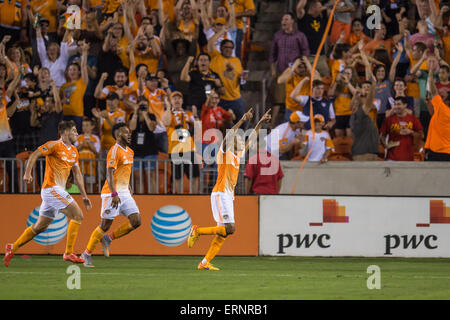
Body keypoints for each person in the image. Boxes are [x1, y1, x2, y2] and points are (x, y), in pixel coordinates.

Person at [187, 108, 271, 271]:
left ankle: (204, 263)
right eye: (238, 139)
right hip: (221, 193)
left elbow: (252, 139)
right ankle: (197, 231)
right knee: (230, 228)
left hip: (227, 195)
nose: (241, 141)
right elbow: (228, 137)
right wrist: (242, 119)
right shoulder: (223, 152)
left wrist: (260, 122)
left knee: (223, 233)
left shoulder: (237, 155)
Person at [4, 120, 92, 267]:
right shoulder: (54, 145)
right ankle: (68, 252)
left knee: (39, 227)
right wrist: (27, 173)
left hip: (57, 191)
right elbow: (34, 155)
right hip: (51, 189)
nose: (77, 133)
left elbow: (78, 175)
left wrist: (84, 196)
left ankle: (12, 247)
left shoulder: (74, 151)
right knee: (78, 215)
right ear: (65, 132)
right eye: (74, 130)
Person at [80, 123, 141, 267]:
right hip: (111, 193)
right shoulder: (114, 151)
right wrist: (114, 193)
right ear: (118, 135)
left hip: (125, 192)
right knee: (105, 225)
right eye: (126, 133)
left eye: (129, 132)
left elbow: (124, 170)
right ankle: (86, 253)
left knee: (136, 221)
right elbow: (109, 173)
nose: (129, 135)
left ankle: (108, 239)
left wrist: (129, 185)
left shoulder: (130, 151)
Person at [269, 12, 310, 129]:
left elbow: (305, 52)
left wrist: (303, 66)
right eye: (282, 19)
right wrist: (272, 69)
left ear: (292, 21)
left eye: (286, 19)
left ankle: (296, 123)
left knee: (294, 97)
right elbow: (272, 53)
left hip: (296, 73)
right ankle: (272, 125)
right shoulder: (277, 36)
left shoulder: (300, 36)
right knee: (277, 99)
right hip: (282, 71)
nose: (284, 22)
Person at [162, 91, 200, 193]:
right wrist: (168, 107)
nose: (177, 100)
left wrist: (196, 116)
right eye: (174, 98)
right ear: (171, 101)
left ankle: (195, 197)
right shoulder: (168, 113)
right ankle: (179, 197)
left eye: (179, 98)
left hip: (189, 148)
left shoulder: (188, 114)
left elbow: (198, 128)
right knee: (177, 177)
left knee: (194, 176)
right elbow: (165, 122)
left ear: (182, 101)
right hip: (175, 149)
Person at [129, 96, 158, 193]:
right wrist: (136, 112)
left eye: (144, 105)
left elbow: (151, 128)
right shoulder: (133, 116)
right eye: (141, 105)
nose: (142, 107)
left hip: (150, 150)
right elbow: (132, 127)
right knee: (137, 177)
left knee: (150, 175)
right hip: (136, 150)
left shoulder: (152, 116)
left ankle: (153, 198)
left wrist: (146, 115)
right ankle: (141, 198)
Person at [380, 96, 424, 161]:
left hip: (408, 157)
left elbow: (422, 136)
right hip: (391, 158)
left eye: (399, 104)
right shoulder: (389, 120)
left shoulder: (413, 119)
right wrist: (386, 145)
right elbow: (382, 135)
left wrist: (410, 132)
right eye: (394, 104)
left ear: (405, 105)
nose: (396, 107)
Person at [424, 58, 450, 161]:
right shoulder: (441, 110)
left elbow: (433, 90)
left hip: (437, 152)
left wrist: (430, 72)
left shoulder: (442, 109)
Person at [60, 41, 90, 132]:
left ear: (79, 72)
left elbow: (84, 66)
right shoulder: (64, 85)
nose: (71, 71)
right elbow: (59, 101)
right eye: (70, 69)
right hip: (65, 114)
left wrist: (84, 52)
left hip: (77, 115)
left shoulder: (82, 82)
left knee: (75, 139)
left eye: (74, 69)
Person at [350, 79, 380, 161]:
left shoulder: (376, 101)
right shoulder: (358, 109)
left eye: (368, 87)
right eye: (364, 87)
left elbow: (370, 105)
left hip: (373, 138)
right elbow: (351, 106)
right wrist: (356, 94)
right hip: (363, 138)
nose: (366, 88)